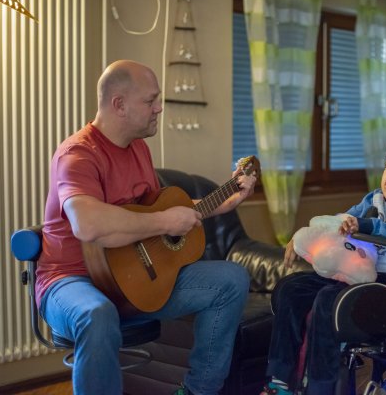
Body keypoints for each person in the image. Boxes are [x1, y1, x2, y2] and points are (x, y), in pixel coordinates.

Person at [35, 60, 256, 395]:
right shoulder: (77, 154)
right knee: (97, 314)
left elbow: (163, 210)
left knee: (231, 279)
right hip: (70, 280)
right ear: (119, 104)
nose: (159, 107)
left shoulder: (139, 148)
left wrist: (223, 201)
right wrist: (165, 221)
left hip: (132, 286)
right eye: (150, 101)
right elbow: (88, 224)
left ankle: (197, 390)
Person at [261, 137, 386, 395]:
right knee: (291, 288)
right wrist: (303, 237)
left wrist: (371, 226)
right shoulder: (373, 201)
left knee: (329, 299)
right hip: (354, 274)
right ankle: (280, 381)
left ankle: (320, 388)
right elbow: (340, 223)